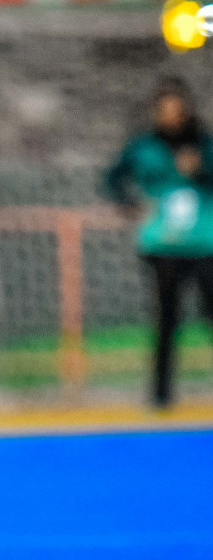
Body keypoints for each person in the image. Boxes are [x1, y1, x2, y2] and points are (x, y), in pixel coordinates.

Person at [105, 77, 213, 409]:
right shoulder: (142, 146)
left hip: (204, 242)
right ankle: (161, 393)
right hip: (163, 244)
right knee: (167, 317)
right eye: (165, 110)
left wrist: (199, 172)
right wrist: (129, 203)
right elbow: (113, 178)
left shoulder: (204, 144)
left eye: (176, 109)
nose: (171, 115)